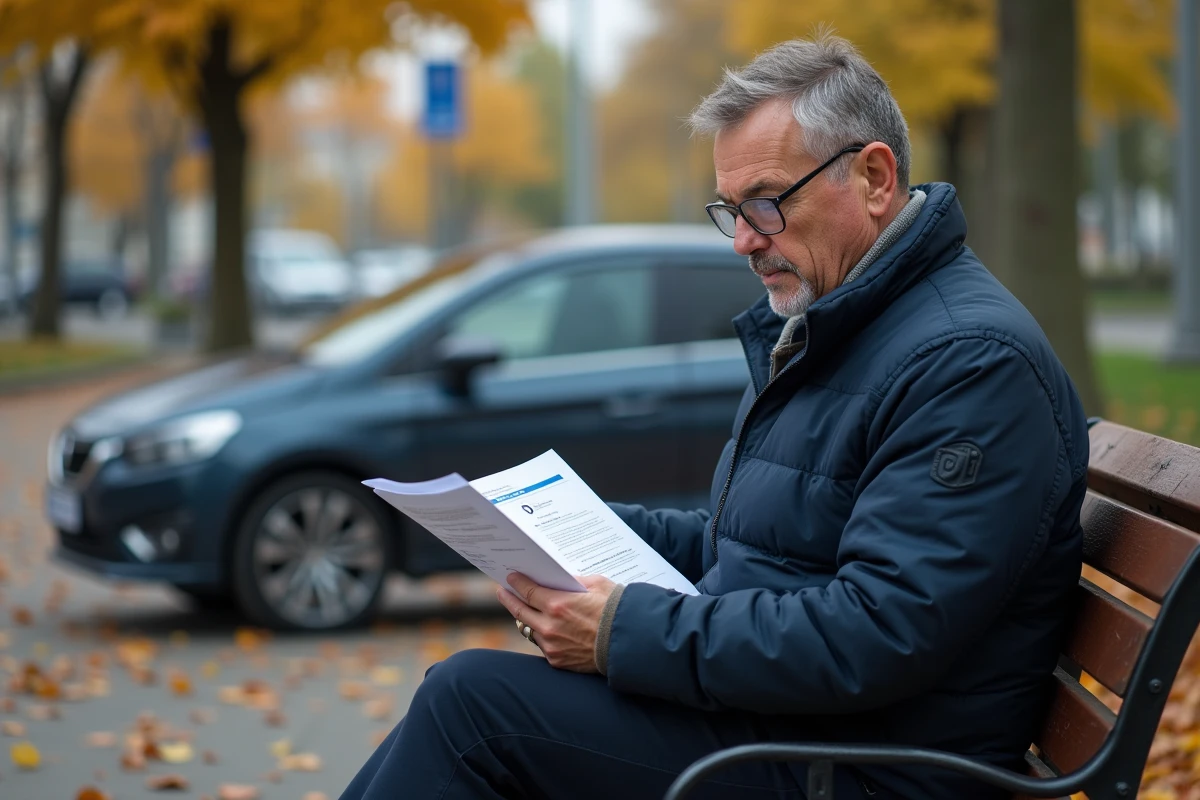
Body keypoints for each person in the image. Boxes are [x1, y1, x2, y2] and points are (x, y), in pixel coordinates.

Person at [340, 33, 1088, 800]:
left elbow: (879, 632)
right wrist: (562, 530)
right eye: (730, 210)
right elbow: (750, 549)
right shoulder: (843, 329)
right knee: (466, 699)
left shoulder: (969, 362)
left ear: (872, 176)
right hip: (795, 733)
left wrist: (620, 633)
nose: (743, 241)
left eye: (765, 202)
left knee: (475, 709)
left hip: (867, 769)